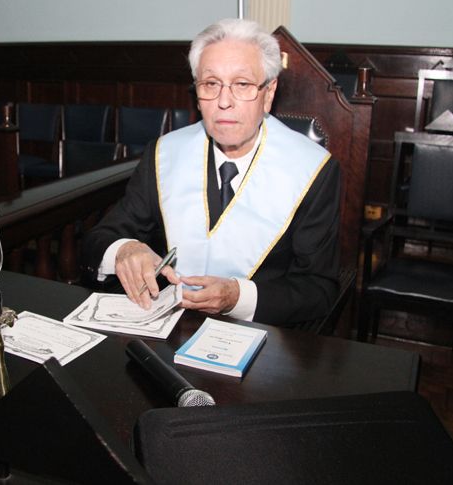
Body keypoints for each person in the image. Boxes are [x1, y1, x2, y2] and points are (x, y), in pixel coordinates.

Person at [80, 18, 340, 327]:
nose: (224, 102)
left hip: (260, 333)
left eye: (242, 84)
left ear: (269, 93)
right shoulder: (165, 154)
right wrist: (124, 250)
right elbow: (99, 239)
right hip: (170, 327)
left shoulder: (313, 170)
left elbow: (318, 289)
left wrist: (237, 297)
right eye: (211, 84)